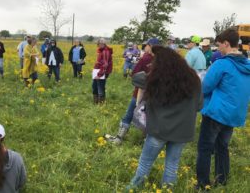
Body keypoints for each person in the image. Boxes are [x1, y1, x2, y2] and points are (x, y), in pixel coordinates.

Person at [126, 46, 202, 191]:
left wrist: (148, 69)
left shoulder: (156, 79)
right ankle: (167, 189)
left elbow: (136, 77)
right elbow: (199, 106)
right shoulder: (194, 79)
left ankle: (133, 188)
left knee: (145, 163)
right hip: (182, 131)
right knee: (172, 165)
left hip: (159, 129)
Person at [196, 28, 250, 189]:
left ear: (227, 43)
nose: (218, 48)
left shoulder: (222, 63)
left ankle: (203, 184)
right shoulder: (247, 65)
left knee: (205, 148)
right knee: (222, 147)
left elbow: (205, 87)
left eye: (219, 45)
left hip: (216, 113)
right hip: (234, 114)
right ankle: (222, 180)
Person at [106, 38, 158, 144]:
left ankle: (119, 138)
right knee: (150, 116)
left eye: (146, 45)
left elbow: (134, 73)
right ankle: (147, 141)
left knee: (129, 113)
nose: (145, 47)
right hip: (155, 94)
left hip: (140, 93)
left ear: (150, 46)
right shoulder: (162, 59)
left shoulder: (145, 58)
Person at [92, 38, 113, 104]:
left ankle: (101, 103)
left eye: (100, 44)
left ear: (103, 44)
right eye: (98, 44)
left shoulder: (105, 51)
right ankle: (96, 101)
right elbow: (100, 62)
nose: (99, 45)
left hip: (102, 72)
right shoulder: (101, 50)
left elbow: (105, 64)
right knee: (94, 85)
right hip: (98, 71)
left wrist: (99, 75)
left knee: (100, 86)